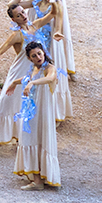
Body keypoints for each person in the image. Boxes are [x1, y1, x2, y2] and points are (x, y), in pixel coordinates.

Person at [0, 0, 35, 155]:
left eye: (23, 12)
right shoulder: (16, 35)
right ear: (14, 20)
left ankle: (19, 138)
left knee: (22, 104)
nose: (23, 16)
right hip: (17, 72)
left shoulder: (33, 28)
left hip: (29, 73)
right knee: (5, 103)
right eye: (19, 15)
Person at [14, 41, 63, 189]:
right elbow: (26, 79)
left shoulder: (50, 68)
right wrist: (13, 83)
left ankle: (41, 178)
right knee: (30, 138)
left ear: (44, 52)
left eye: (39, 54)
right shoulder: (34, 69)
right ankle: (37, 178)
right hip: (32, 111)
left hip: (44, 111)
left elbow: (50, 78)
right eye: (34, 56)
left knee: (41, 139)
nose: (38, 57)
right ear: (30, 59)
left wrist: (32, 84)